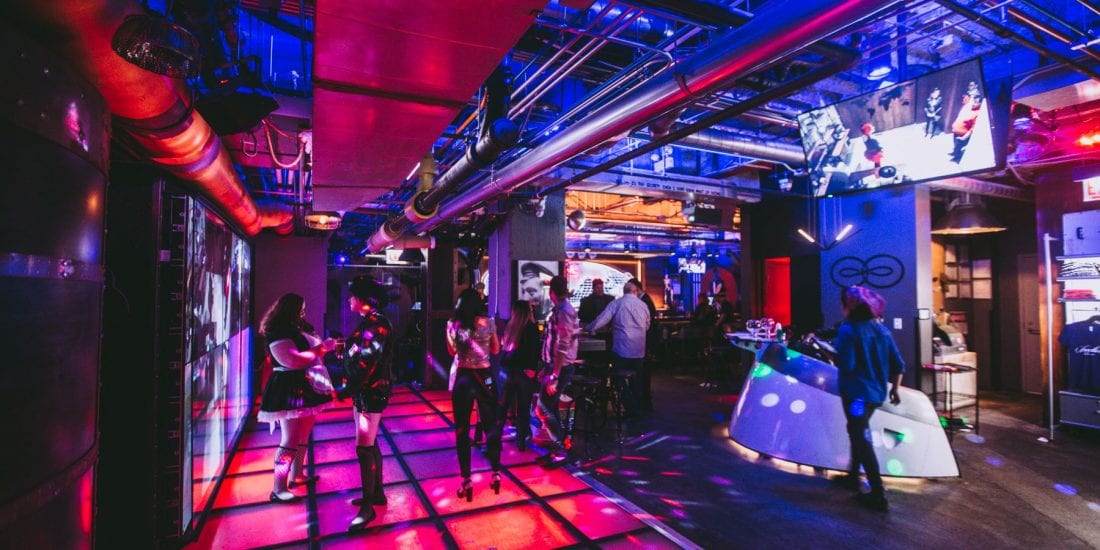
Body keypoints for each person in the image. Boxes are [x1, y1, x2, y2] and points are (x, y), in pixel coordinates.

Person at [831, 285, 905, 512]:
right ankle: (853, 476)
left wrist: (827, 352)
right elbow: (898, 364)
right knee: (856, 430)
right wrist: (895, 390)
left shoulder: (848, 331)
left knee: (862, 438)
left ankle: (877, 494)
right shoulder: (881, 330)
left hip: (856, 395)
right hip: (876, 394)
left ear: (847, 306)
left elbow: (847, 365)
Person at [257, 294, 335, 503]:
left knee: (302, 435)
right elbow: (292, 360)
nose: (303, 312)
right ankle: (278, 488)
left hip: (306, 386)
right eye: (301, 308)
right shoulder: (278, 330)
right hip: (289, 388)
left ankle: (298, 475)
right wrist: (322, 348)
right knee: (290, 438)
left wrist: (320, 350)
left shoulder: (298, 327)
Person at [342, 276, 396, 531]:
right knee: (370, 444)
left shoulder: (376, 324)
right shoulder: (372, 321)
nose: (349, 300)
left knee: (364, 447)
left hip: (370, 393)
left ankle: (368, 508)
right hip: (367, 391)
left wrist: (347, 387)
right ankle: (376, 494)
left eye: (353, 295)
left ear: (365, 299)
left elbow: (367, 361)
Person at [446, 288, 502, 501]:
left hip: (463, 377)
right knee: (491, 425)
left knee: (462, 429)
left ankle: (467, 481)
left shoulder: (453, 324)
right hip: (484, 377)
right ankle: (495, 474)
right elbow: (496, 350)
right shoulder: (488, 323)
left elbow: (452, 351)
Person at [585, 279, 651, 417]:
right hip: (639, 350)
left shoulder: (617, 303)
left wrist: (588, 328)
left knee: (617, 379)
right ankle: (636, 410)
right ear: (635, 291)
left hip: (622, 349)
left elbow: (601, 320)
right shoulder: (643, 305)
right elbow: (647, 325)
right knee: (636, 381)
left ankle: (631, 407)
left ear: (624, 291)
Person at [533, 275, 580, 464]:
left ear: (552, 292)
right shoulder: (562, 309)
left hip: (560, 368)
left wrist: (554, 375)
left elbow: (562, 346)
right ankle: (559, 448)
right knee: (549, 407)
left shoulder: (564, 311)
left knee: (543, 408)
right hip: (555, 366)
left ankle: (560, 449)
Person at [499, 300, 540, 451]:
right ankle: (521, 441)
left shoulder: (510, 327)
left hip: (508, 371)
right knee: (523, 408)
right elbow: (535, 352)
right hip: (525, 372)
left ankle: (495, 438)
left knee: (502, 407)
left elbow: (504, 351)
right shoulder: (531, 328)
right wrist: (533, 369)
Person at [950, 92, 983, 164]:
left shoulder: (978, 113)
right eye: (973, 100)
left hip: (962, 135)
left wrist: (964, 138)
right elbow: (967, 98)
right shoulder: (968, 106)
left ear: (980, 103)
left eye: (976, 102)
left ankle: (957, 158)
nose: (974, 103)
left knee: (958, 147)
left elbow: (972, 129)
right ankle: (954, 153)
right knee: (955, 145)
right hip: (955, 131)